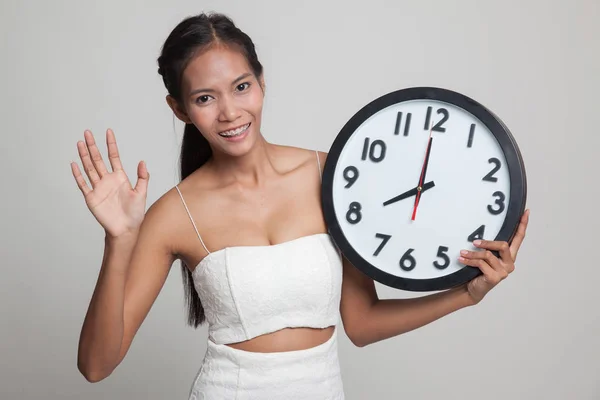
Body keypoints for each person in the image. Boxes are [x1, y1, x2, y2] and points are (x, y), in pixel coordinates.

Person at [72, 12, 530, 399]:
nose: (230, 112)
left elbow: (362, 323)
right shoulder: (175, 214)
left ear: (262, 82)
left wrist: (466, 294)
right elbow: (97, 366)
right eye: (205, 98)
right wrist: (120, 240)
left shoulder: (330, 175)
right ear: (180, 110)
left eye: (241, 86)